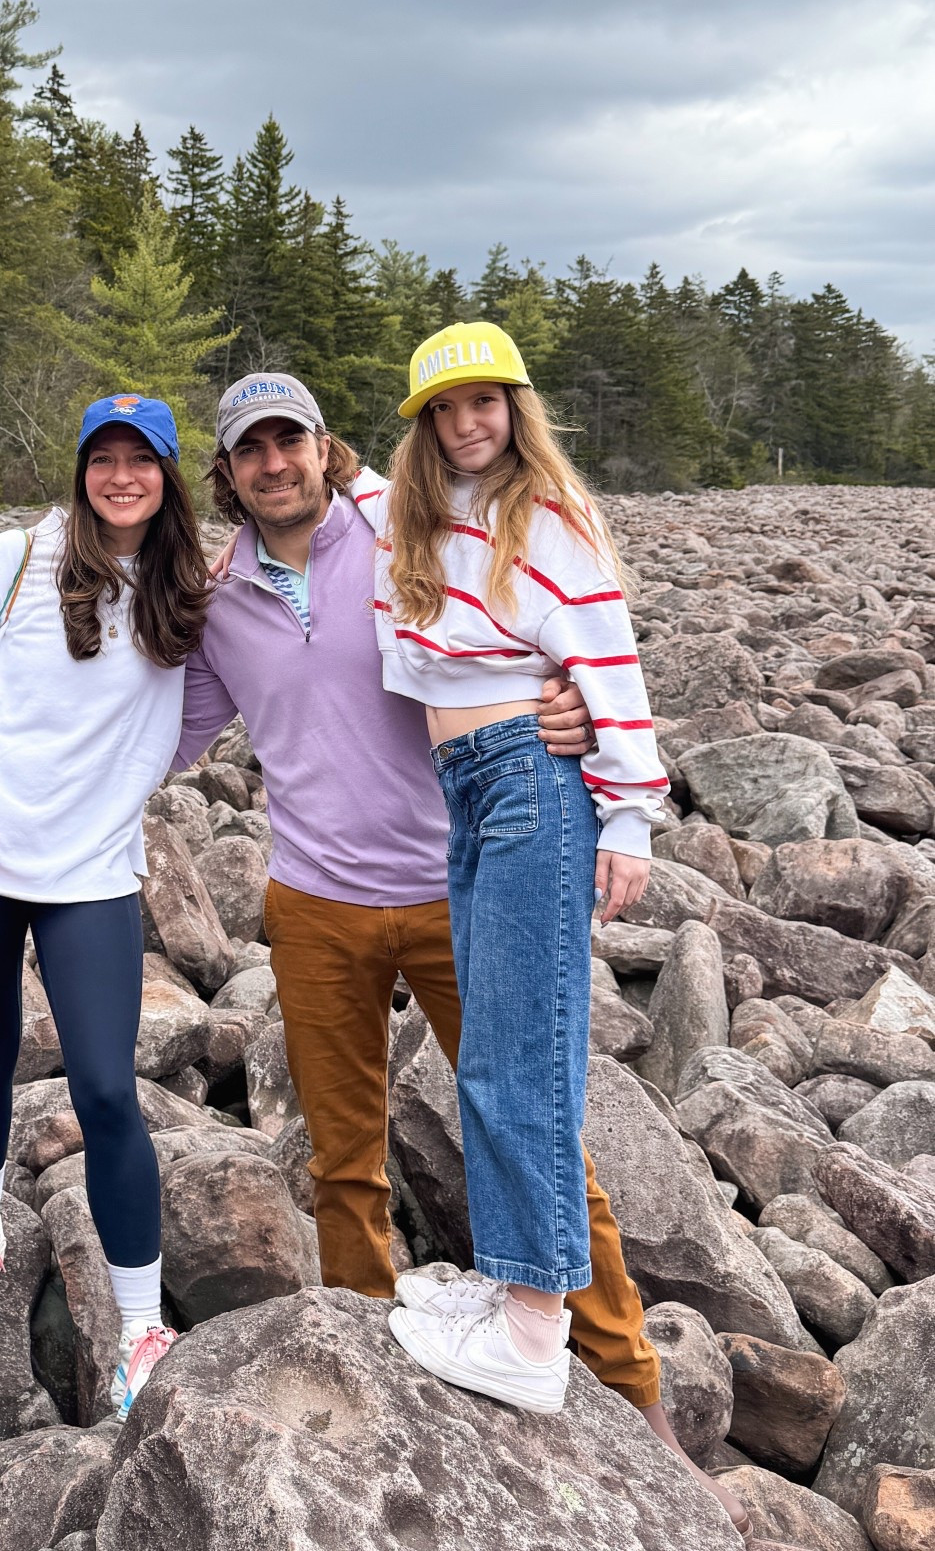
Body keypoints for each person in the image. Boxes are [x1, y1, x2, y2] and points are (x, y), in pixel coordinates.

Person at [177, 370, 747, 1530]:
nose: (271, 462)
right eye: (248, 450)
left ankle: (631, 1391)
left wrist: (568, 707)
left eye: (288, 439)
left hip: (457, 880)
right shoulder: (215, 593)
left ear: (323, 447)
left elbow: (546, 583)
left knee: (534, 1122)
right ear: (227, 473)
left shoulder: (406, 522)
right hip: (315, 903)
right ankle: (371, 1366)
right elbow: (164, 726)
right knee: (341, 1157)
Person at [0, 393, 212, 1418]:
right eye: (102, 458)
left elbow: (309, 614)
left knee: (108, 1092)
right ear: (78, 469)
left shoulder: (193, 589)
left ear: (168, 474)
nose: (121, 476)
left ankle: (139, 1319)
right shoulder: (13, 560)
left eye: (141, 459)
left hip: (91, 873)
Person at [362, 322, 662, 1413]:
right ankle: (508, 1285)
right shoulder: (427, 519)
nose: (466, 423)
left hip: (532, 777)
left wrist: (627, 812)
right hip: (472, 786)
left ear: (516, 406)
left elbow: (603, 650)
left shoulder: (545, 514)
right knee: (488, 1045)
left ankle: (536, 1333)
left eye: (484, 401)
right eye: (444, 409)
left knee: (521, 1050)